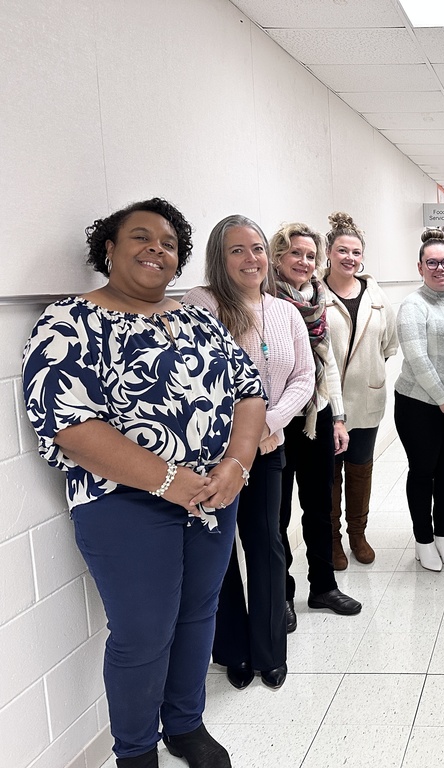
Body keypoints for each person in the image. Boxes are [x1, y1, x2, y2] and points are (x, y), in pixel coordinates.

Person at [22, 199, 266, 768]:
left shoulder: (194, 315)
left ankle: (185, 724)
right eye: (141, 237)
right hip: (125, 505)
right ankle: (135, 751)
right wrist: (167, 482)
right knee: (142, 632)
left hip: (212, 497)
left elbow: (248, 389)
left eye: (169, 243)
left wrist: (237, 464)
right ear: (108, 248)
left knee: (198, 613)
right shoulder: (68, 323)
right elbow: (71, 426)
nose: (157, 249)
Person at [183, 216, 315, 692]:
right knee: (219, 551)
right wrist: (242, 432)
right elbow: (198, 376)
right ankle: (233, 650)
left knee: (267, 545)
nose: (251, 259)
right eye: (237, 250)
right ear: (219, 257)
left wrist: (268, 425)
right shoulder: (201, 306)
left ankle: (269, 651)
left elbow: (304, 378)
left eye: (257, 248)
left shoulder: (285, 312)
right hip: (214, 455)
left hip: (270, 448)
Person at [270, 222, 361, 630]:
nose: (304, 262)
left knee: (319, 506)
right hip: (277, 421)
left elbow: (327, 368)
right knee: (279, 512)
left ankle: (323, 586)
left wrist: (337, 417)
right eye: (295, 254)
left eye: (310, 256)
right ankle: (282, 594)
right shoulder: (265, 302)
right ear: (277, 257)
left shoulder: (318, 300)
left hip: (317, 414)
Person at [322, 212, 398, 568]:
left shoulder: (375, 294)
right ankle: (333, 539)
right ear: (329, 252)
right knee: (329, 471)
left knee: (360, 468)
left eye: (355, 252)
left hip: (367, 397)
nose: (349, 258)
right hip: (326, 402)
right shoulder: (314, 294)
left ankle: (358, 533)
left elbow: (387, 344)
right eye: (342, 251)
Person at [394, 229, 444, 571]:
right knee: (423, 471)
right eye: (433, 263)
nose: (440, 268)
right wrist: (442, 398)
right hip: (418, 405)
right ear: (421, 267)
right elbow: (418, 358)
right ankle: (423, 540)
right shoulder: (412, 305)